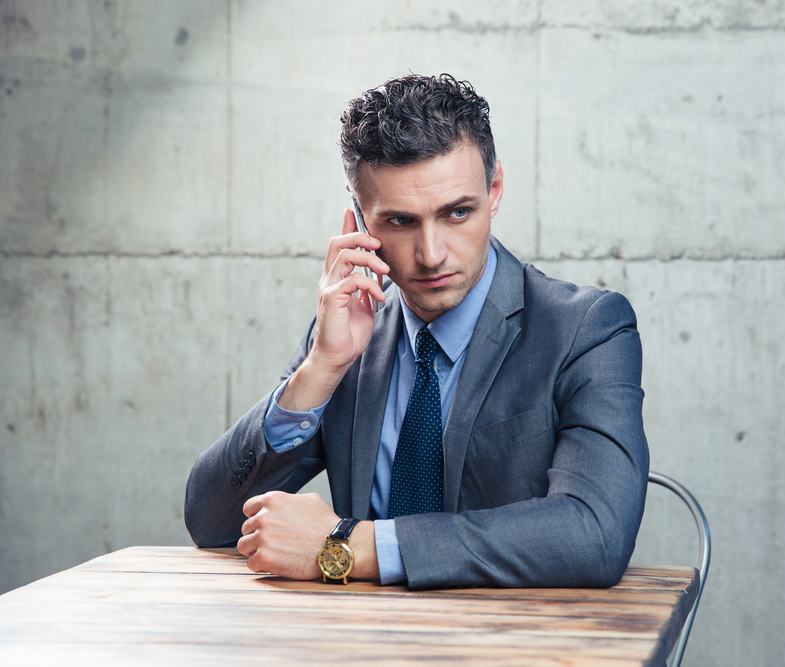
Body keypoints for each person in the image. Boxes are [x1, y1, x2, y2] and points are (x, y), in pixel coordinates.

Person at [185, 73, 649, 590]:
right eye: (401, 222)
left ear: (493, 190)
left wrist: (345, 544)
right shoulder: (348, 334)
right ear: (360, 215)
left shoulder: (585, 329)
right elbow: (210, 520)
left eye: (457, 212)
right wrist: (320, 370)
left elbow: (595, 535)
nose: (431, 255)